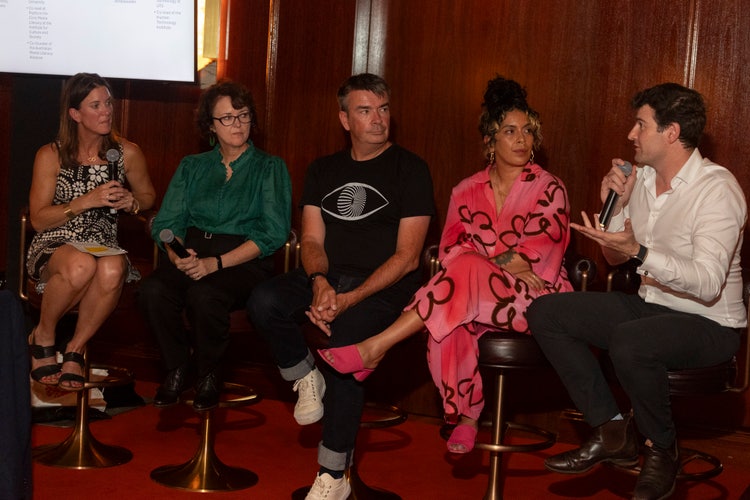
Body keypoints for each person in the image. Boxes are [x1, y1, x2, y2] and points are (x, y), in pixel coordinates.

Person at [318, 76, 573, 454]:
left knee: (461, 278)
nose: (521, 140)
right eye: (509, 131)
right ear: (490, 141)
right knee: (450, 312)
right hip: (468, 294)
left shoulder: (550, 187)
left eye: (527, 132)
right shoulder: (465, 190)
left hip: (538, 298)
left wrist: (481, 263)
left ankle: (377, 346)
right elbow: (451, 249)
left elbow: (534, 256)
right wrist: (484, 265)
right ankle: (467, 417)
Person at [527, 83, 747, 500]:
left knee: (631, 340)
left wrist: (639, 250)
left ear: (671, 132)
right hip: (651, 307)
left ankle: (662, 448)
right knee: (547, 313)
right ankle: (612, 431)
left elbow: (707, 282)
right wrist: (614, 205)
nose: (631, 134)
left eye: (640, 125)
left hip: (710, 323)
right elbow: (614, 260)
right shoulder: (641, 181)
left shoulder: (718, 189)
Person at [247, 73, 435, 500]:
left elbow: (408, 256)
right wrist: (318, 284)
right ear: (345, 119)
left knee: (347, 344)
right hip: (330, 277)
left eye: (383, 109)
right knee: (264, 300)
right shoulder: (323, 169)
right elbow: (311, 241)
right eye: (365, 111)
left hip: (386, 287)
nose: (377, 119)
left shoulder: (411, 168)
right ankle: (304, 375)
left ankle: (332, 476)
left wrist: (350, 298)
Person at [138, 80, 291, 412]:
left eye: (243, 115)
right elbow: (167, 224)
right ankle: (178, 366)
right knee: (152, 290)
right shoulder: (192, 166)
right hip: (191, 252)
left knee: (204, 294)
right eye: (227, 118)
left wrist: (216, 263)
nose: (237, 124)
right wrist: (177, 256)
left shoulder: (269, 167)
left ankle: (209, 374)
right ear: (210, 125)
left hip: (244, 260)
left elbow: (273, 234)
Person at [26, 72, 155, 391]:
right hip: (55, 242)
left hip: (103, 243)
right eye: (95, 105)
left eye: (108, 103)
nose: (106, 111)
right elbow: (39, 220)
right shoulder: (50, 155)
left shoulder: (126, 153)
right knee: (82, 264)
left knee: (112, 268)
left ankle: (75, 348)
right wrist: (84, 202)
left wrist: (132, 202)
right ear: (75, 114)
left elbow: (148, 196)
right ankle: (44, 333)